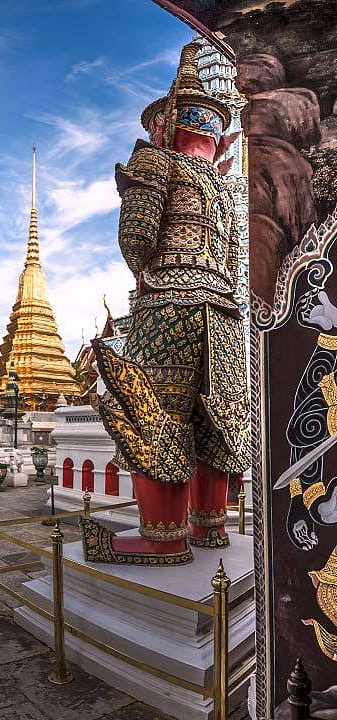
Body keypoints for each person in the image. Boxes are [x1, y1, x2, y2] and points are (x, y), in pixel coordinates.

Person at [81, 42, 250, 565]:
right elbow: (239, 259)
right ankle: (209, 527)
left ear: (168, 123)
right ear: (212, 130)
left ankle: (162, 535)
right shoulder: (223, 188)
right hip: (224, 317)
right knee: (214, 418)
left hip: (170, 308)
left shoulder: (157, 162)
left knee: (154, 412)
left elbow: (135, 242)